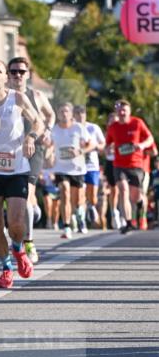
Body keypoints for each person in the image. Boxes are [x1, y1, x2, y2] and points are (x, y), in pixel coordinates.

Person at [0, 59, 42, 288]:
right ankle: (6, 268)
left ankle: (18, 249)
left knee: (16, 223)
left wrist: (30, 137)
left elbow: (38, 122)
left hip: (16, 169)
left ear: (6, 76)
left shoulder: (17, 98)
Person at [7, 56, 55, 263]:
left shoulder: (37, 95)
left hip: (33, 150)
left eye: (21, 71)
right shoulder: (2, 96)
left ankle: (29, 242)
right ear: (8, 74)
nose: (17, 75)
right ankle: (32, 212)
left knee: (26, 192)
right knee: (14, 199)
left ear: (28, 74)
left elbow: (50, 115)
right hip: (8, 151)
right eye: (14, 71)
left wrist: (47, 131)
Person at [105, 99, 155, 234]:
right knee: (123, 190)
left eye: (124, 110)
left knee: (135, 196)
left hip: (136, 164)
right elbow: (107, 143)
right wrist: (108, 149)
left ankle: (139, 205)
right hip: (119, 164)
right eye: (119, 110)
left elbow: (150, 139)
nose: (121, 112)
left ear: (129, 112)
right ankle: (128, 222)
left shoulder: (137, 123)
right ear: (116, 111)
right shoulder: (113, 127)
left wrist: (142, 145)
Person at [50, 102, 94, 239]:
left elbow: (91, 144)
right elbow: (49, 146)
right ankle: (67, 226)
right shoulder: (54, 129)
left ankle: (80, 215)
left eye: (66, 111)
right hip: (60, 168)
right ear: (57, 114)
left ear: (71, 114)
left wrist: (80, 150)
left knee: (77, 201)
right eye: (61, 111)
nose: (64, 114)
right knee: (64, 192)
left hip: (77, 169)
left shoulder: (78, 128)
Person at [73, 104, 106, 228]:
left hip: (92, 165)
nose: (80, 115)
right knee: (80, 194)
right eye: (77, 113)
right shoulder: (71, 128)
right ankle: (81, 220)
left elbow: (103, 144)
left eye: (82, 113)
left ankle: (92, 207)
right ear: (74, 115)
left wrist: (95, 146)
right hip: (77, 167)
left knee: (92, 196)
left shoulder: (93, 128)